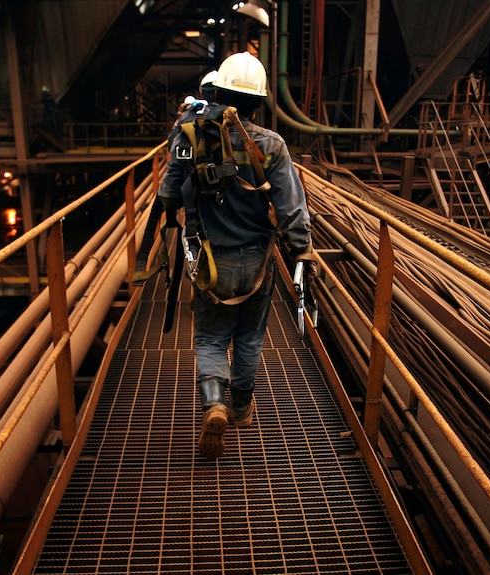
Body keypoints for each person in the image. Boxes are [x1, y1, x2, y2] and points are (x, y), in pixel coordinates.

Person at [158, 52, 314, 460]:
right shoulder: (270, 144)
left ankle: (214, 404)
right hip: (259, 262)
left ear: (217, 92)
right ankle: (242, 409)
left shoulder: (188, 135)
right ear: (258, 102)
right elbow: (292, 206)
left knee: (211, 337)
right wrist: (301, 249)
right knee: (249, 336)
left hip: (210, 260)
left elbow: (168, 194)